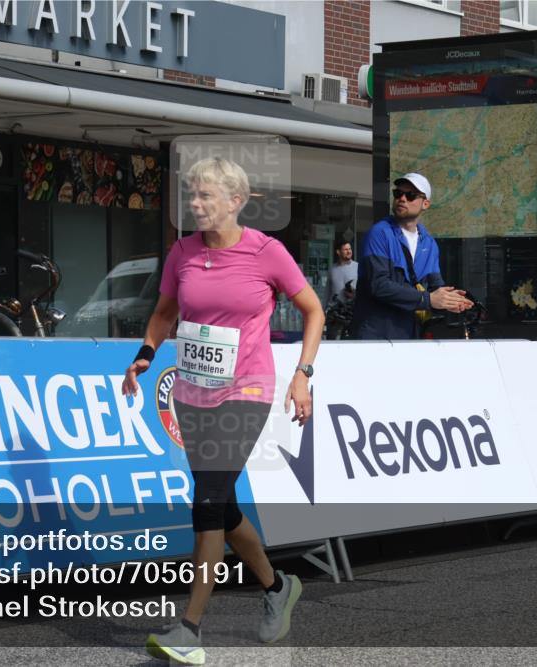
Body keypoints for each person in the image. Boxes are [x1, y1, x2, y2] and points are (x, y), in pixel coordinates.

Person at [122, 157, 323, 665]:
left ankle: (189, 629)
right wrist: (145, 354)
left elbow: (313, 310)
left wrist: (303, 373)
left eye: (205, 195)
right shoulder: (183, 252)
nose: (195, 204)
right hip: (192, 394)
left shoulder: (266, 252)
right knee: (223, 506)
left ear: (236, 200)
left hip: (247, 390)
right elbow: (165, 313)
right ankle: (278, 587)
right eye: (191, 195)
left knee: (207, 501)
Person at [350, 172, 472, 340]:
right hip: (374, 335)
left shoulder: (428, 242)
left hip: (409, 334)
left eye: (410, 195)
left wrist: (450, 300)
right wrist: (429, 299)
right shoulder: (379, 233)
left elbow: (435, 286)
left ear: (425, 204)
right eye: (398, 193)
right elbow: (379, 285)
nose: (402, 199)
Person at [324, 240, 358, 340]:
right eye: (345, 249)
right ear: (338, 252)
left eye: (350, 249)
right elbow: (327, 292)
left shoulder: (358, 267)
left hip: (351, 313)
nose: (349, 251)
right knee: (332, 342)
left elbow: (365, 290)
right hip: (334, 314)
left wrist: (355, 295)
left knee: (350, 343)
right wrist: (323, 311)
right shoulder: (332, 269)